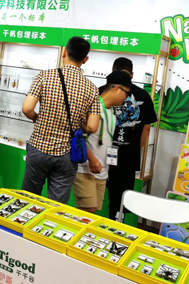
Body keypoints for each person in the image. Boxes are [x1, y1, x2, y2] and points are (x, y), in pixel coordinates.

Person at [21, 36, 100, 204]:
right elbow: (93, 127)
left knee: (28, 198)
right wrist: (79, 123)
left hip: (39, 146)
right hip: (67, 153)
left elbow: (27, 109)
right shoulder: (92, 89)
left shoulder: (44, 76)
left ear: (64, 52)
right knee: (57, 205)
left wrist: (37, 118)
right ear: (85, 59)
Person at [73, 71, 132, 213]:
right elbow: (77, 136)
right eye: (126, 93)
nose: (126, 98)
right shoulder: (93, 107)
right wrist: (92, 159)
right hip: (85, 168)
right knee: (88, 210)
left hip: (102, 171)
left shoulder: (112, 111)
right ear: (116, 88)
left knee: (92, 213)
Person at [107, 57, 157, 221]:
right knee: (121, 198)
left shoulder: (103, 91)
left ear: (113, 72)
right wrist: (137, 148)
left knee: (96, 192)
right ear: (132, 74)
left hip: (102, 153)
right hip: (128, 155)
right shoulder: (143, 95)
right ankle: (116, 224)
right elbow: (147, 128)